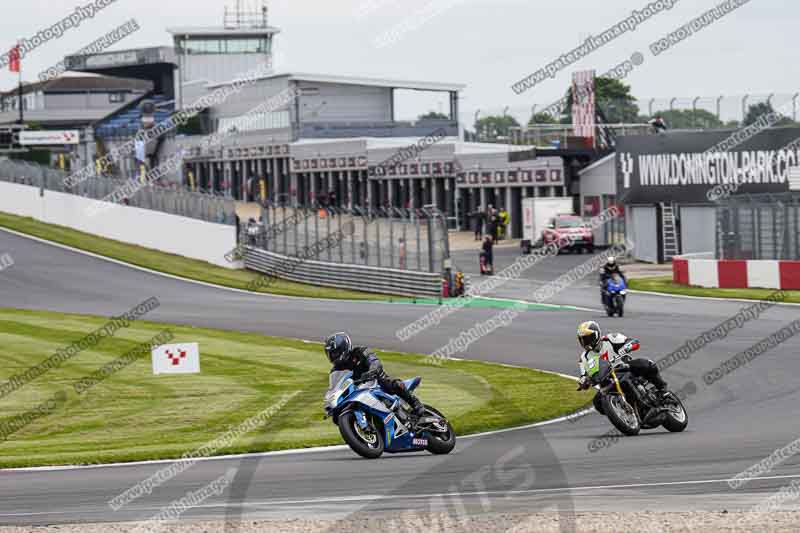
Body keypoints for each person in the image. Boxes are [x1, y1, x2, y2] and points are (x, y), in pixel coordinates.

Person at [575, 321, 669, 411]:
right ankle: (621, 411)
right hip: (607, 381)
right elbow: (584, 375)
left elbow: (633, 342)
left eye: (588, 338)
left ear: (597, 335)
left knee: (646, 364)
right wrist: (583, 381)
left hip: (625, 367)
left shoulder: (610, 338)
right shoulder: (584, 357)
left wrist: (627, 347)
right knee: (597, 403)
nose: (585, 342)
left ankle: (662, 390)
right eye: (582, 339)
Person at [325, 332, 425, 416]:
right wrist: (331, 403)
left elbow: (375, 362)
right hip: (358, 390)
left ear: (343, 348)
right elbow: (334, 387)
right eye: (330, 354)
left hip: (375, 381)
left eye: (335, 353)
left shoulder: (360, 352)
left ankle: (415, 403)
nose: (333, 357)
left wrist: (372, 370)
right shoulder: (336, 370)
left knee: (391, 383)